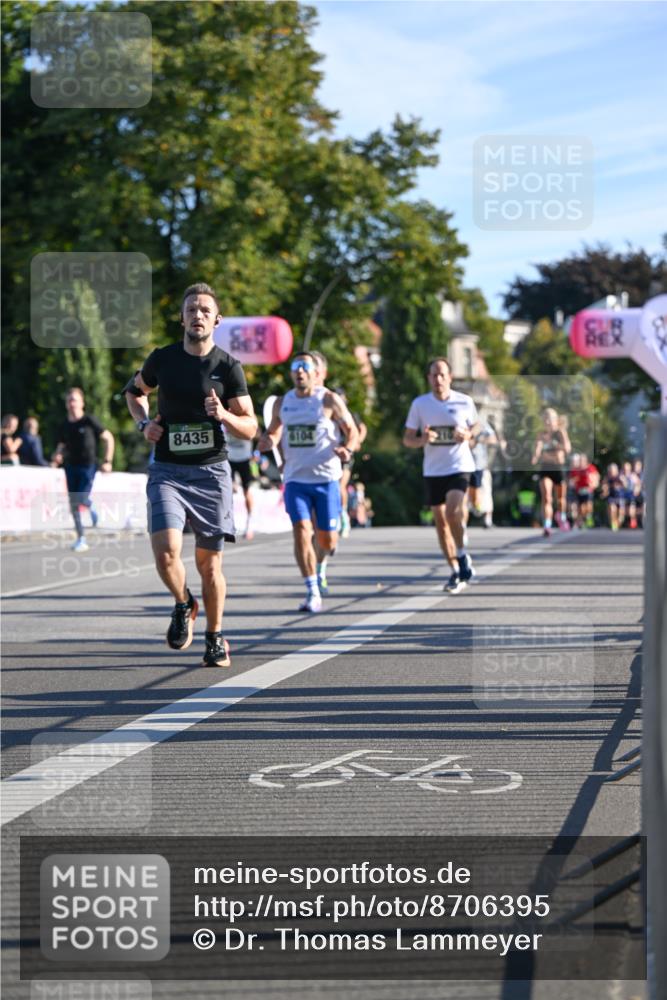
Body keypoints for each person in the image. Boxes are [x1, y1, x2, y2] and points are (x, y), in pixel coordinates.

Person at [124, 282, 257, 667]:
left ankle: (215, 638)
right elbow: (134, 393)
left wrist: (225, 415)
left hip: (211, 473)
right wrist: (143, 424)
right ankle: (184, 602)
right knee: (166, 553)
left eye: (204, 310)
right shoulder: (162, 360)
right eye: (191, 309)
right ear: (181, 318)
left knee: (209, 564)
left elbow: (250, 427)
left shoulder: (227, 367)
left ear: (216, 320)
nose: (197, 315)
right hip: (167, 470)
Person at [257, 351, 359, 612]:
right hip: (295, 480)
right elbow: (274, 434)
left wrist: (348, 448)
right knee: (302, 530)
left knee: (327, 542)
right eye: (295, 366)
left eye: (305, 367)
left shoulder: (328, 400)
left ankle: (320, 564)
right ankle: (312, 589)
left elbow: (353, 432)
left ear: (316, 373)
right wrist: (269, 441)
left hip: (326, 479)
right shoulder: (283, 402)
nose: (299, 371)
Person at [403, 357, 478, 594]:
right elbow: (407, 438)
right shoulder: (420, 404)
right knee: (441, 523)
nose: (438, 379)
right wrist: (422, 440)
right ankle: (456, 570)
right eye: (434, 375)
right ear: (428, 378)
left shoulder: (464, 401)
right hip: (433, 470)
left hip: (459, 466)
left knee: (452, 510)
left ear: (450, 377)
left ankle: (463, 554)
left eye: (442, 375)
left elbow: (476, 427)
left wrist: (467, 434)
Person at [52, 389, 115, 552]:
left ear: (82, 403)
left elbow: (108, 438)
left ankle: (91, 506)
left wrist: (108, 461)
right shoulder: (64, 425)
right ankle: (81, 538)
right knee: (73, 504)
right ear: (66, 404)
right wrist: (57, 455)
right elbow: (61, 445)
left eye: (75, 400)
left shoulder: (89, 421)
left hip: (88, 466)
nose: (72, 404)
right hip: (70, 466)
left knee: (80, 498)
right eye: (69, 401)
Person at [531, 407, 571, 536]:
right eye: (545, 418)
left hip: (558, 467)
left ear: (555, 420)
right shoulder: (541, 434)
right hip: (546, 467)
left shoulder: (560, 432)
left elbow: (567, 449)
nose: (548, 421)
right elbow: (538, 447)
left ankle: (562, 516)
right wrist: (536, 456)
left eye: (550, 418)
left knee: (560, 499)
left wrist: (555, 444)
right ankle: (547, 525)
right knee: (547, 497)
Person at [226, 430, 257, 539]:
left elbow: (255, 433)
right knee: (227, 491)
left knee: (247, 491)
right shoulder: (224, 416)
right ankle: (228, 524)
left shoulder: (246, 416)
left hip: (245, 458)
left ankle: (250, 522)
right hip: (229, 458)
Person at [468, 418, 497, 529]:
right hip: (462, 464)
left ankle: (487, 519)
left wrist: (478, 440)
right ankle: (462, 520)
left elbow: (493, 439)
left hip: (481, 464)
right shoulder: (457, 421)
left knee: (486, 490)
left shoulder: (482, 424)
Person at [567, 452, 599, 529]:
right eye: (580, 460)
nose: (581, 462)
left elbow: (596, 477)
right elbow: (571, 480)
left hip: (588, 489)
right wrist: (573, 481)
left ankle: (589, 517)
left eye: (582, 460)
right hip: (579, 490)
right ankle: (583, 520)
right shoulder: (575, 470)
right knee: (581, 508)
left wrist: (593, 483)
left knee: (588, 505)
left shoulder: (591, 468)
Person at [601, 462, 625, 531]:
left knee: (621, 516)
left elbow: (626, 486)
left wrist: (622, 481)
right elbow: (604, 487)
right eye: (611, 471)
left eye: (614, 470)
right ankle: (613, 524)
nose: (612, 472)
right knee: (612, 509)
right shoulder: (607, 478)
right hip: (612, 497)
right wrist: (604, 491)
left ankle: (618, 523)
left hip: (620, 498)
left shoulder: (621, 477)